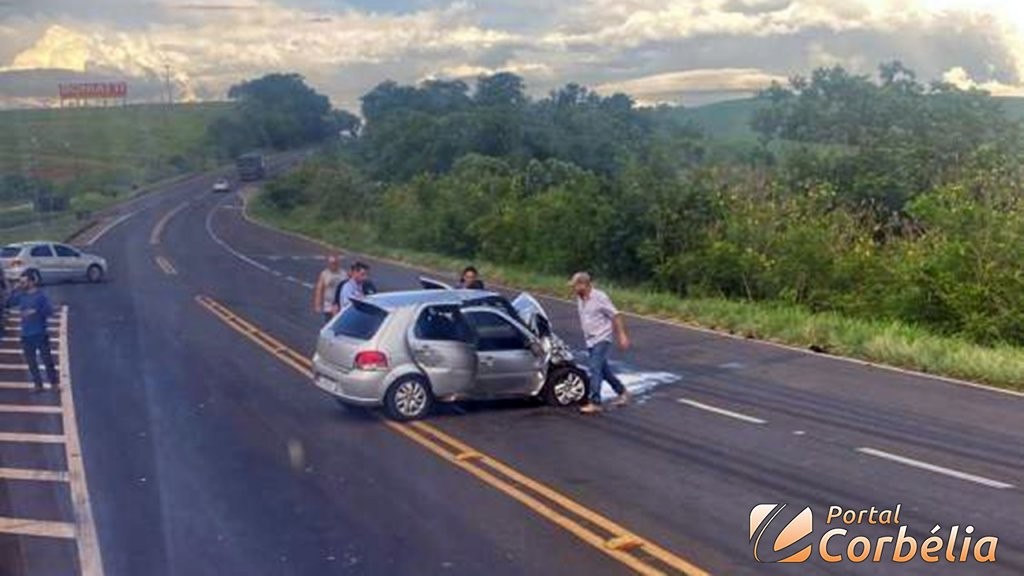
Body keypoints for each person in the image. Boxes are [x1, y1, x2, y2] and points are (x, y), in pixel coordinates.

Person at [569, 272, 629, 413]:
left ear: (584, 284)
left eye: (575, 285)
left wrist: (622, 335)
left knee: (594, 368)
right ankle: (622, 392)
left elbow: (616, 315)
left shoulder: (600, 297)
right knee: (604, 371)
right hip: (590, 340)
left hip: (602, 338)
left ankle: (595, 402)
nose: (573, 288)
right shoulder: (580, 298)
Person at [6, 272, 58, 393]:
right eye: (20, 282)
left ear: (32, 282)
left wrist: (35, 312)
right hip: (26, 334)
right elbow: (8, 304)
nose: (21, 284)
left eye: (24, 282)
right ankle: (38, 384)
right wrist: (13, 290)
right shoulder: (20, 295)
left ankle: (54, 383)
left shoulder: (41, 296)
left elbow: (50, 311)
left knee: (47, 360)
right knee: (31, 362)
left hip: (40, 333)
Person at [313, 255, 346, 323]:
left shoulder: (344, 274)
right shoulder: (324, 274)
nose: (333, 265)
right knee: (329, 323)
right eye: (331, 263)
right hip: (329, 304)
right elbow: (319, 289)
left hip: (341, 304)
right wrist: (317, 304)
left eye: (335, 263)